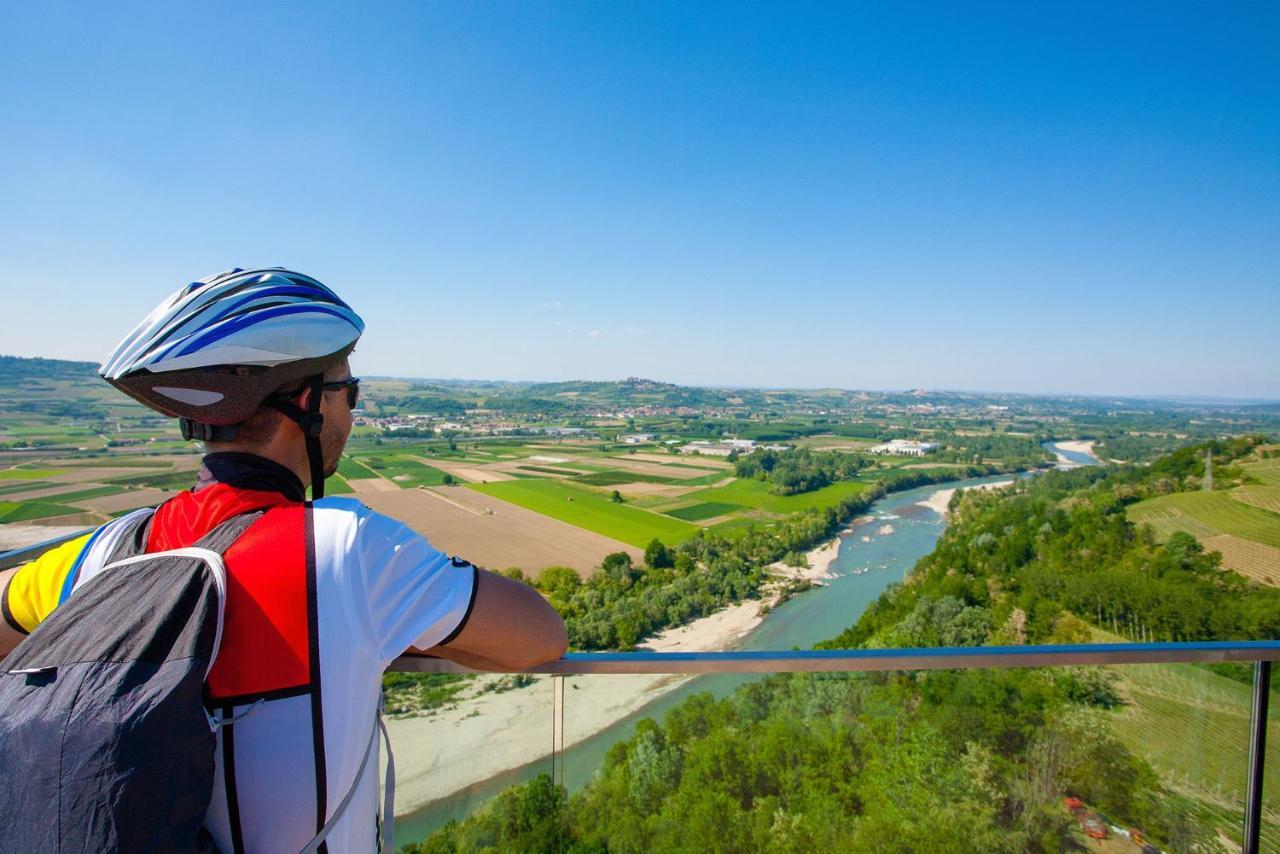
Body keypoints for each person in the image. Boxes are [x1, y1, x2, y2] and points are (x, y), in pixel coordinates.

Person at [0, 267, 568, 852]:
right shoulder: (350, 550)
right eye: (351, 391)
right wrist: (374, 630)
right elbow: (539, 636)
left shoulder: (103, 553)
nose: (354, 411)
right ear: (306, 401)